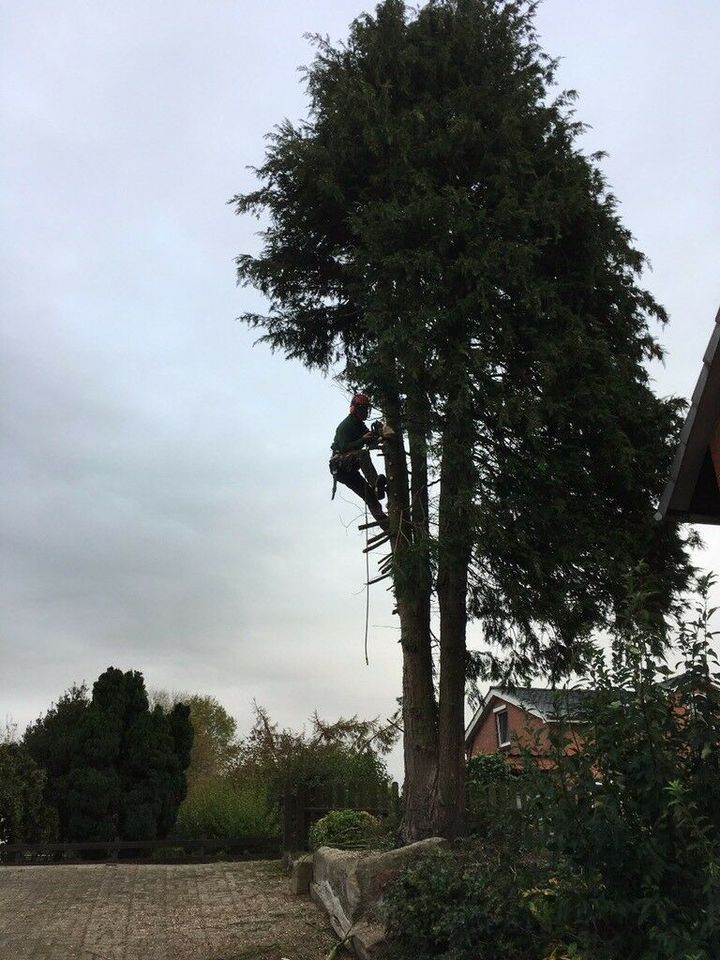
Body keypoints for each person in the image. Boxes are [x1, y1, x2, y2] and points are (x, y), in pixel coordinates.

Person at [330, 393, 388, 528]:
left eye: (367, 410)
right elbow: (344, 447)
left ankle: (385, 523)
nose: (365, 412)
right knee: (362, 454)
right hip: (340, 466)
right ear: (355, 409)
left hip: (351, 469)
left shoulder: (360, 425)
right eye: (363, 409)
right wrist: (363, 440)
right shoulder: (345, 426)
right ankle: (375, 483)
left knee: (368, 494)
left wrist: (376, 434)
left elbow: (369, 439)